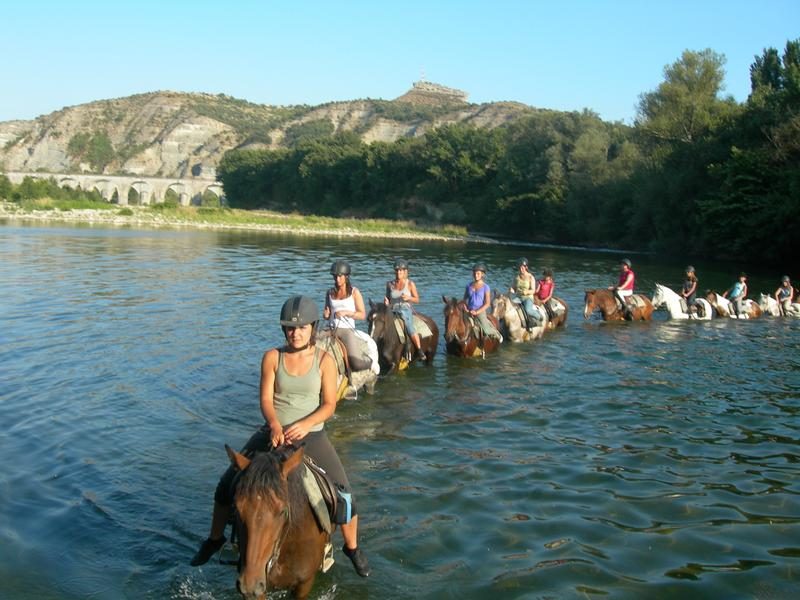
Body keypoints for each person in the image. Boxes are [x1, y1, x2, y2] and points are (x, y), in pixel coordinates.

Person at [190, 296, 370, 577]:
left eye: (301, 328)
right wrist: (273, 424)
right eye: (289, 328)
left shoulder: (324, 360)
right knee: (226, 483)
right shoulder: (272, 357)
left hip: (311, 436)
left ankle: (352, 547)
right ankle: (215, 539)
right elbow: (265, 399)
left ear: (313, 327)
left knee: (345, 495)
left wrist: (305, 424)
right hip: (272, 434)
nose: (295, 333)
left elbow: (329, 405)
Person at [322, 259, 378, 373]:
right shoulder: (329, 292)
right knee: (311, 340)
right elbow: (327, 313)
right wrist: (326, 315)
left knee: (355, 363)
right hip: (331, 328)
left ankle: (371, 362)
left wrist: (347, 313)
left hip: (346, 330)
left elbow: (362, 315)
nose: (337, 279)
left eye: (340, 276)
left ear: (346, 277)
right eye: (335, 277)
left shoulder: (354, 292)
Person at [384, 258, 426, 361]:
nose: (399, 272)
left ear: (405, 271)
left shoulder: (410, 284)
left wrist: (409, 298)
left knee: (408, 326)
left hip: (404, 309)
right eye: (397, 270)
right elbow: (388, 298)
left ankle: (419, 349)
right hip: (392, 309)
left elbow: (417, 299)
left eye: (401, 270)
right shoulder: (390, 284)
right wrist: (386, 302)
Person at [464, 263, 503, 341]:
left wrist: (477, 312)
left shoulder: (486, 287)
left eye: (478, 273)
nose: (476, 275)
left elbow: (487, 303)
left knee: (486, 329)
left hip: (480, 311)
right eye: (474, 273)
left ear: (482, 274)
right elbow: (464, 299)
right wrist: (466, 308)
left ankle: (496, 334)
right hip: (469, 311)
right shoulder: (468, 286)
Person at [509, 257, 540, 330]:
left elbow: (533, 290)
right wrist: (511, 290)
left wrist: (526, 292)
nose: (521, 269)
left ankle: (538, 316)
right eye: (519, 267)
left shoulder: (531, 277)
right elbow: (514, 288)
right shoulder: (517, 277)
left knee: (528, 310)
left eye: (522, 267)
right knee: (509, 307)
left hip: (528, 298)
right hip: (518, 298)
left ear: (526, 267)